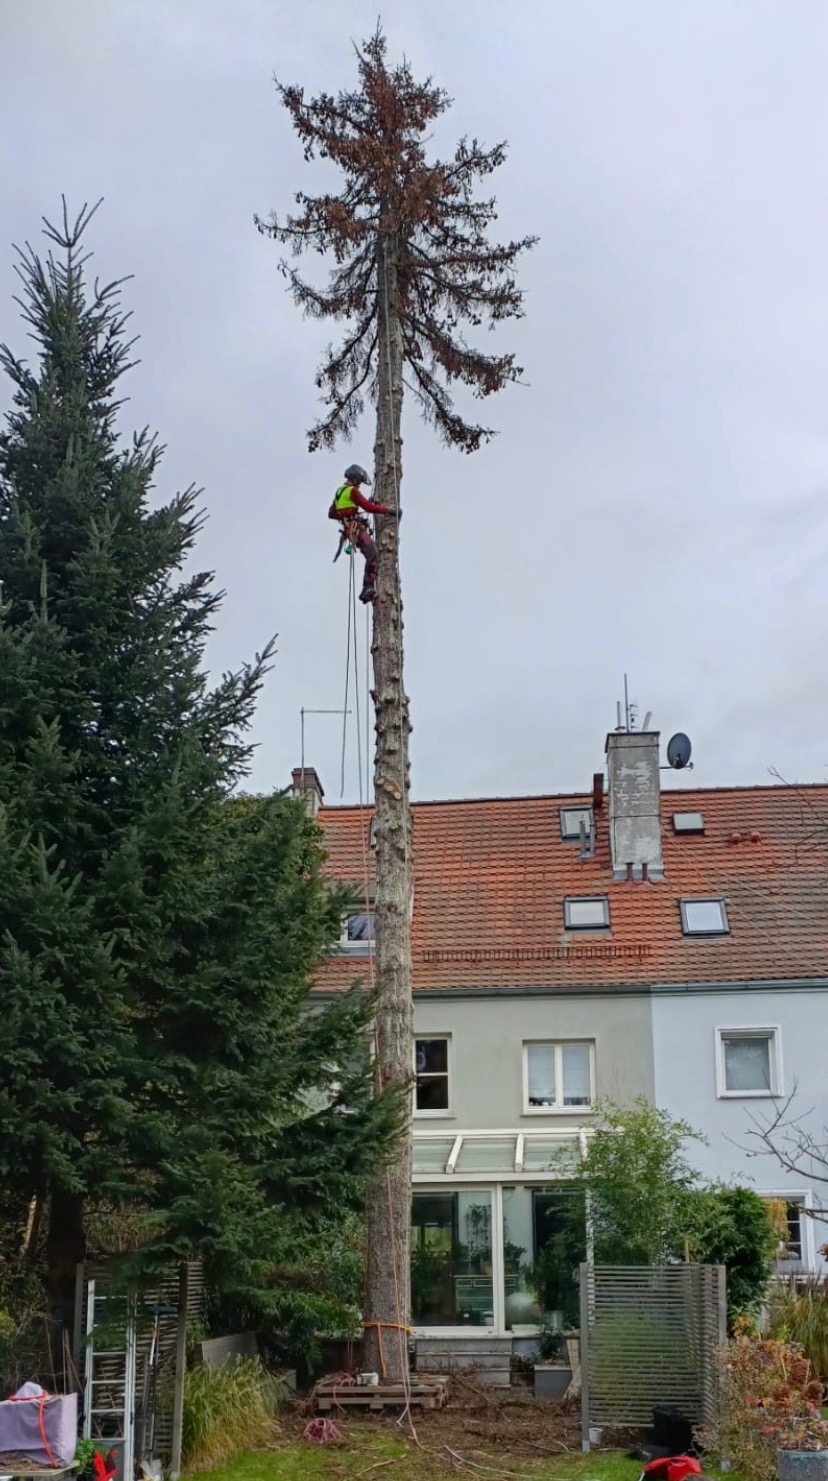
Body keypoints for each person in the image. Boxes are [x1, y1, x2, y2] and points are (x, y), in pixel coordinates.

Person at [328, 463, 395, 603]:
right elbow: (368, 507)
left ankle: (367, 589)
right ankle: (367, 587)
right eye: (359, 483)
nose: (359, 487)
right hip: (355, 528)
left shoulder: (340, 492)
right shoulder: (352, 490)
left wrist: (346, 515)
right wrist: (388, 510)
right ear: (355, 480)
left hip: (349, 528)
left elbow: (331, 513)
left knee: (370, 553)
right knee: (373, 553)